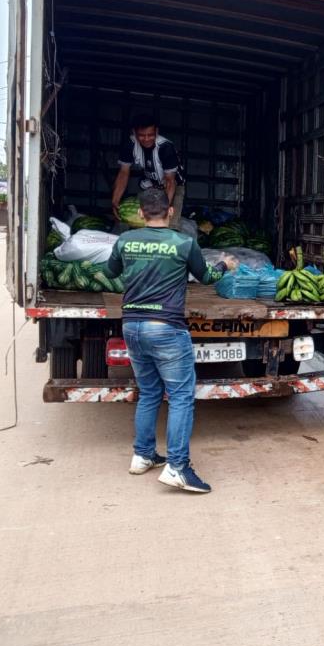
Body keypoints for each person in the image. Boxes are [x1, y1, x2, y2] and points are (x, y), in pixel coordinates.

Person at [104, 188, 237, 494]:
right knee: (180, 397)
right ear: (170, 212)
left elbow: (111, 273)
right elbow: (206, 278)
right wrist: (224, 265)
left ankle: (143, 455)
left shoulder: (125, 241)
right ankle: (177, 467)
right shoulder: (183, 243)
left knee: (149, 392)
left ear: (139, 213)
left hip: (132, 326)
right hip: (166, 327)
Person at [111, 114, 185, 229]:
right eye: (141, 135)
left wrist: (163, 211)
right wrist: (115, 200)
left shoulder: (165, 147)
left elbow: (170, 181)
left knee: (169, 225)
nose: (146, 139)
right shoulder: (130, 145)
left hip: (172, 186)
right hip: (150, 184)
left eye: (150, 135)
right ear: (134, 132)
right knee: (140, 223)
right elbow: (123, 173)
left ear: (157, 131)